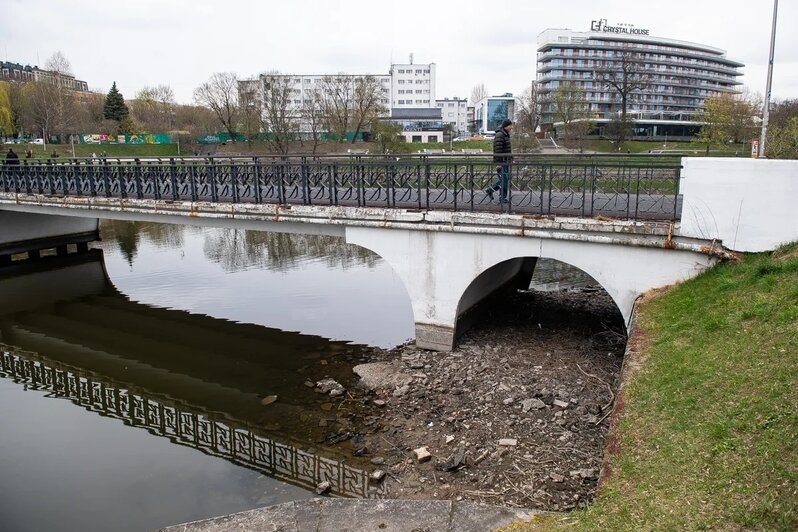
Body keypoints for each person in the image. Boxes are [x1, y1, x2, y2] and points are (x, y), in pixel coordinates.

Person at [485, 119, 513, 203]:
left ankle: (490, 190)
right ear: (506, 126)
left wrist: (511, 159)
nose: (511, 127)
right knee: (504, 180)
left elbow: (507, 149)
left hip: (505, 161)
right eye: (510, 125)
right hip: (502, 162)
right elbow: (498, 150)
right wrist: (498, 163)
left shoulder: (505, 135)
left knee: (504, 179)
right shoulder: (500, 135)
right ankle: (502, 197)